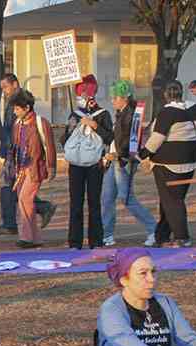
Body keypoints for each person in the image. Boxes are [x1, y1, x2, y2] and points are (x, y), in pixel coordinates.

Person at [139, 80, 196, 247]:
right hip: (189, 162)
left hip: (167, 164)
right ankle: (162, 235)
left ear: (166, 95)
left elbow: (157, 139)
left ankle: (182, 237)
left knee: (172, 201)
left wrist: (143, 153)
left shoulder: (167, 113)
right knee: (171, 200)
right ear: (182, 92)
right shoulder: (193, 109)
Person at [0, 73, 56, 237]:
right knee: (18, 194)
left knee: (21, 195)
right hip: (17, 158)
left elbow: (48, 145)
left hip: (32, 164)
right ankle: (29, 232)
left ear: (15, 84)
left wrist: (51, 166)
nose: (4, 91)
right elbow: (12, 133)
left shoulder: (35, 118)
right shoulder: (16, 113)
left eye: (5, 87)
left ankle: (24, 230)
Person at [102, 80, 157, 247]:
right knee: (107, 197)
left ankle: (153, 229)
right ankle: (107, 234)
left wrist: (118, 154)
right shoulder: (122, 113)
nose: (112, 101)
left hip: (123, 161)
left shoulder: (131, 114)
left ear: (123, 98)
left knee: (126, 199)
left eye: (114, 98)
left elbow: (131, 141)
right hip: (115, 160)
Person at [61, 74, 113, 250]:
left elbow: (110, 138)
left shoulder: (103, 115)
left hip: (95, 164)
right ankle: (74, 241)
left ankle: (96, 241)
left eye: (84, 94)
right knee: (75, 203)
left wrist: (94, 126)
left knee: (94, 203)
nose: (82, 98)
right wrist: (74, 127)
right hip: (75, 164)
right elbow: (65, 139)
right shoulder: (74, 115)